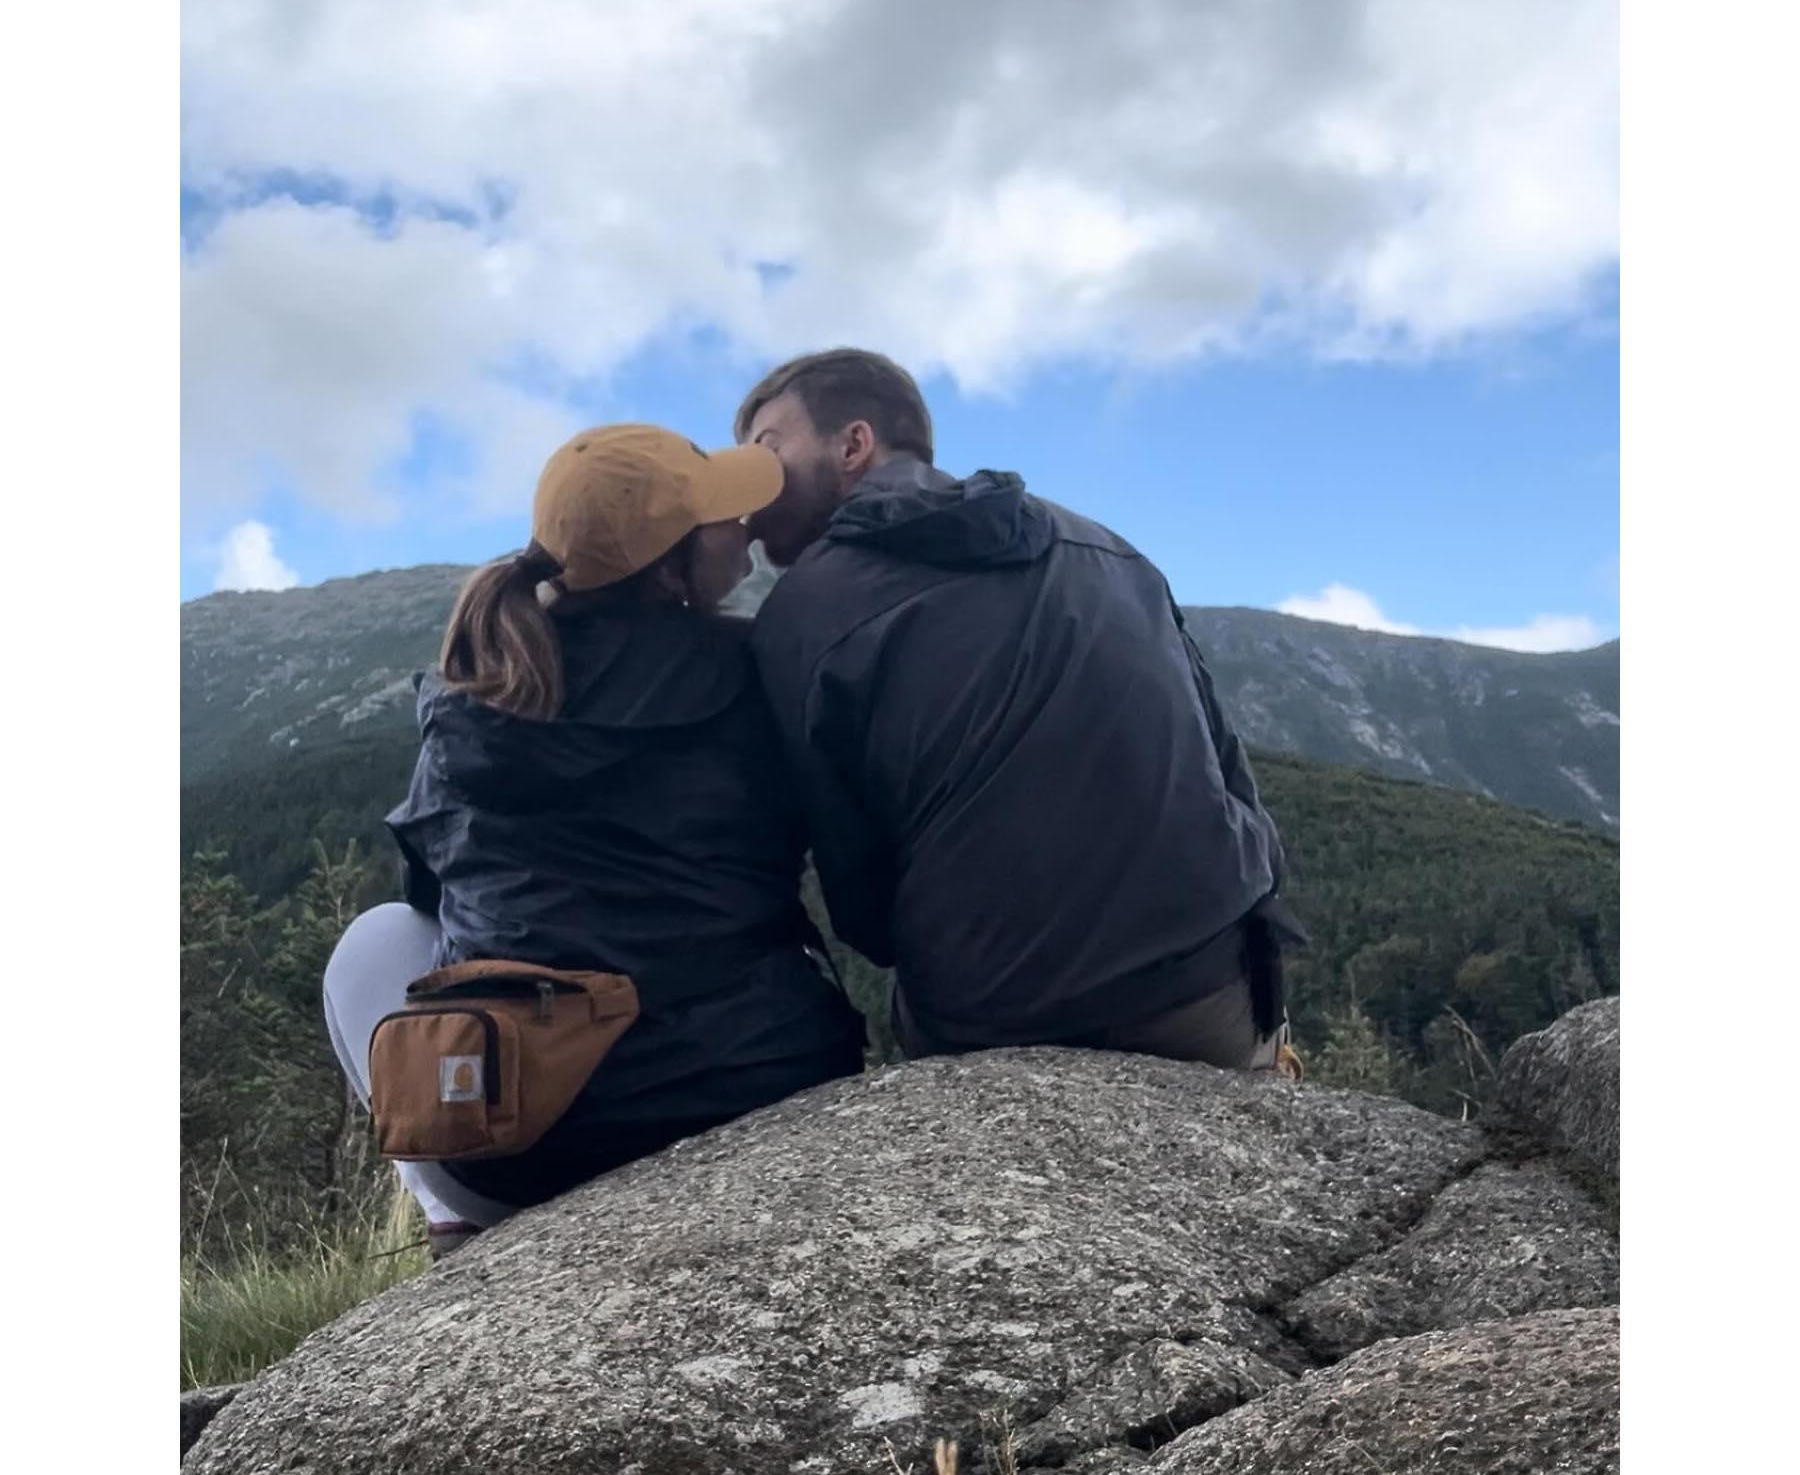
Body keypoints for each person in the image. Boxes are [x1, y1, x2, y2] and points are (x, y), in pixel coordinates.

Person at [323, 423, 866, 1258]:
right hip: (754, 1089)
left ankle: (450, 1217)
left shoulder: (471, 700)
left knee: (378, 938)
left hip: (524, 1141)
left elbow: (433, 902)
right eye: (721, 519)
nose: (746, 530)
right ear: (669, 562)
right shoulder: (759, 664)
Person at [735, 348, 1304, 1070]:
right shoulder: (1105, 547)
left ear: (853, 444)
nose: (750, 499)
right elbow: (1226, 770)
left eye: (766, 451)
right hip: (1207, 993)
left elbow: (863, 907)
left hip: (993, 1017)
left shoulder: (799, 618)